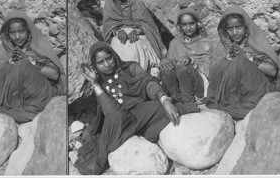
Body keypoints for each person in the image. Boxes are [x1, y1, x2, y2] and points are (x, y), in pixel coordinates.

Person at [74, 42, 198, 175]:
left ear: (114, 56)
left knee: (159, 106)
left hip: (140, 112)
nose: (107, 64)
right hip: (119, 119)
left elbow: (148, 83)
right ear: (95, 66)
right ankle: (137, 133)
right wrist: (94, 84)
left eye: (108, 58)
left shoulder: (131, 67)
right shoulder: (99, 84)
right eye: (100, 62)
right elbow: (110, 112)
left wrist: (165, 100)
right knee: (116, 117)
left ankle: (131, 134)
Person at [207, 6, 280, 120]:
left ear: (246, 27)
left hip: (256, 92)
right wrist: (227, 59)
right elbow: (213, 73)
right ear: (225, 30)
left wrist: (248, 58)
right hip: (229, 95)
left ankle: (246, 107)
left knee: (240, 61)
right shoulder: (222, 47)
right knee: (224, 64)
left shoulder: (256, 43)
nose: (235, 32)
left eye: (238, 27)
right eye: (230, 28)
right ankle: (231, 105)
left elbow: (272, 71)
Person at [0, 11, 65, 123]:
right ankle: (14, 110)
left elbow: (54, 75)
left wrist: (30, 61)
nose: (17, 36)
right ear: (7, 34)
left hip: (39, 96)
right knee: (5, 68)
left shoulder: (38, 47)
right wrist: (10, 63)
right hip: (13, 99)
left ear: (28, 32)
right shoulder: (4, 52)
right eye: (12, 33)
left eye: (21, 31)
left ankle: (27, 111)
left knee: (23, 65)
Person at [102, 0, 166, 76]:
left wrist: (137, 31)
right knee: (118, 50)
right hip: (119, 36)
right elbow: (108, 25)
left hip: (139, 35)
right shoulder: (110, 3)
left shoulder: (136, 1)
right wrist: (118, 31)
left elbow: (148, 24)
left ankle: (142, 73)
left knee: (137, 50)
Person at [160, 8, 213, 104]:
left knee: (183, 67)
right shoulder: (175, 43)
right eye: (184, 24)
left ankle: (189, 102)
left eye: (191, 23)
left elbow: (208, 71)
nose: (188, 28)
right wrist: (164, 61)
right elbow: (170, 61)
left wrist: (191, 61)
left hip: (200, 85)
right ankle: (177, 100)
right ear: (180, 26)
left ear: (197, 23)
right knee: (166, 69)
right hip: (181, 86)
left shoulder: (205, 42)